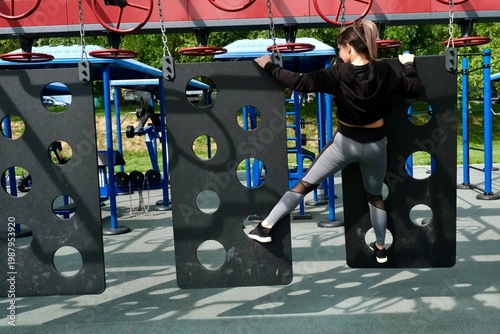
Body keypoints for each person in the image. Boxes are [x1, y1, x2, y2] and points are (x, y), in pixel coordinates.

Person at [248, 19, 421, 264]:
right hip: (375, 146)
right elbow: (413, 89)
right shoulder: (386, 71)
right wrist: (410, 65)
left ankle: (265, 228)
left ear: (349, 47)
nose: (339, 54)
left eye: (340, 49)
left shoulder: (338, 73)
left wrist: (269, 66)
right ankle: (381, 248)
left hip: (344, 144)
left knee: (305, 184)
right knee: (375, 196)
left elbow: (299, 82)